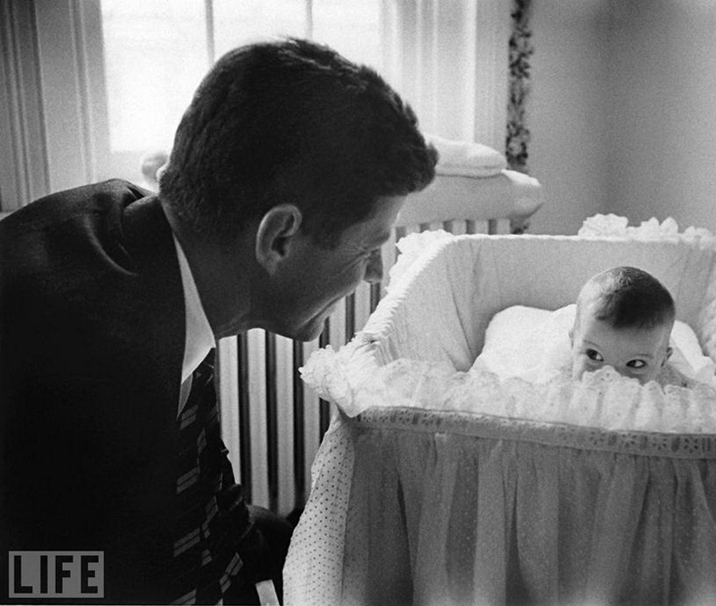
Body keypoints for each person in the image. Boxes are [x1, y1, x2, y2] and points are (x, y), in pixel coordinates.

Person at [0, 38, 437, 605]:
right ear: (278, 237)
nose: (378, 273)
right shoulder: (95, 364)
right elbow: (29, 581)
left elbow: (198, 481)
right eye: (367, 249)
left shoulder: (159, 243)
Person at [569, 266, 680, 385]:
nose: (610, 379)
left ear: (663, 361)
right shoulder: (557, 385)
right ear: (573, 343)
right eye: (594, 355)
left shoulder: (671, 393)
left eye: (635, 363)